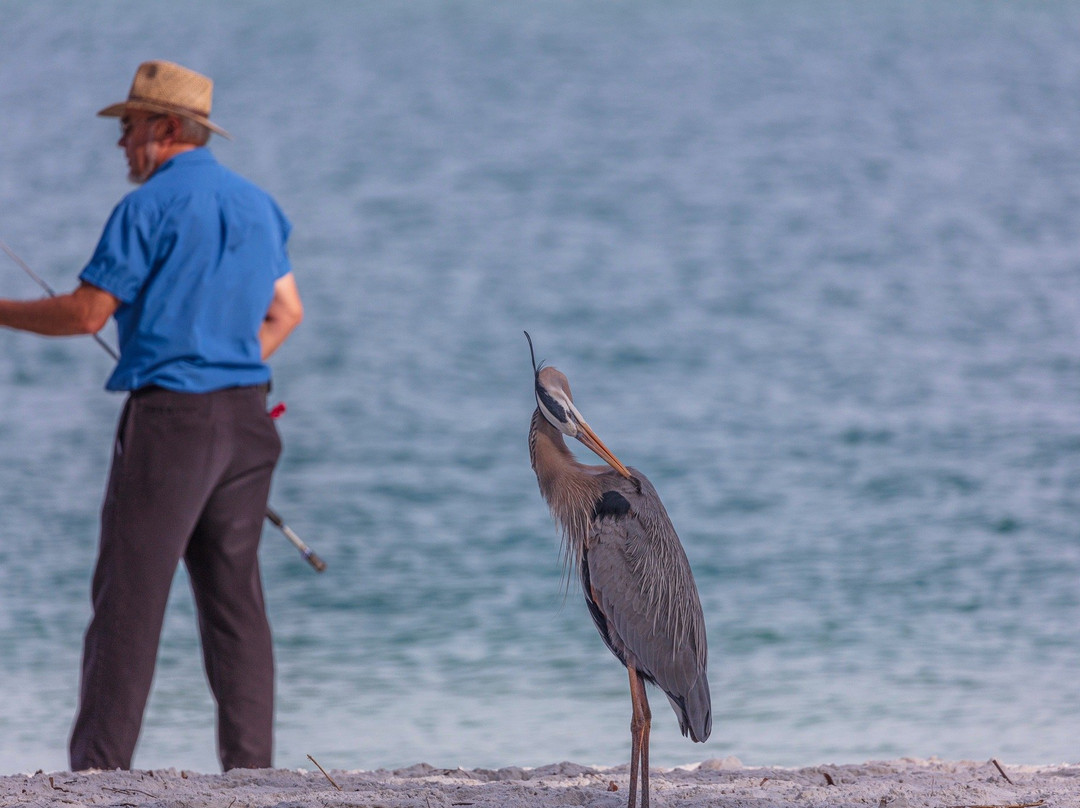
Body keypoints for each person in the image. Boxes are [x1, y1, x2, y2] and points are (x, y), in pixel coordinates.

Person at [0, 60, 304, 771]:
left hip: (173, 425)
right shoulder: (259, 205)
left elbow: (85, 314)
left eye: (129, 126)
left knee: (127, 603)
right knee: (235, 607)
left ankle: (98, 775)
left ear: (167, 129)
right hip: (249, 421)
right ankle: (252, 774)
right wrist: (226, 363)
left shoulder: (146, 208)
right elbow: (287, 312)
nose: (121, 143)